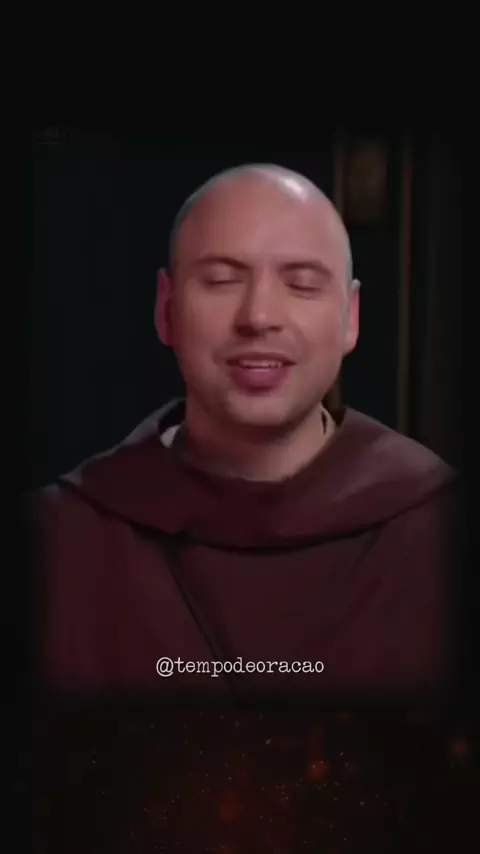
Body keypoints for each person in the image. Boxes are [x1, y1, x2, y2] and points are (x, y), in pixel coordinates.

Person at [29, 164, 460, 705]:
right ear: (166, 309)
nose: (258, 316)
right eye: (220, 280)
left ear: (350, 318)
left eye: (301, 284)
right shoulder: (53, 540)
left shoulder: (443, 530)